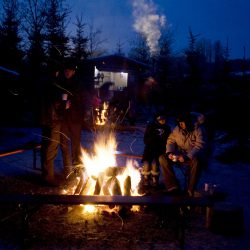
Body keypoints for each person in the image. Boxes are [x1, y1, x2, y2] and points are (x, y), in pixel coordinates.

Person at [159, 112, 208, 196]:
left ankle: (190, 190)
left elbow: (200, 145)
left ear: (187, 121)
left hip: (192, 157)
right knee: (162, 158)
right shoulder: (177, 129)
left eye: (182, 122)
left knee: (196, 161)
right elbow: (171, 140)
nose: (180, 125)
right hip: (179, 155)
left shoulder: (198, 129)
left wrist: (188, 157)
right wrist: (170, 152)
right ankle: (173, 187)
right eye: (179, 123)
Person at [40, 61, 72, 186]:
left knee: (47, 146)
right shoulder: (53, 83)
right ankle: (48, 178)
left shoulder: (44, 81)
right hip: (53, 119)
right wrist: (66, 104)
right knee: (51, 147)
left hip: (46, 119)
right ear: (56, 72)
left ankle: (46, 174)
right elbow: (56, 102)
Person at [141, 114, 171, 187]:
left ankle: (155, 180)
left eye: (164, 119)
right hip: (149, 149)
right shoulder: (151, 127)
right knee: (146, 163)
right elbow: (145, 139)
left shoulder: (167, 128)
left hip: (160, 150)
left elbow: (169, 140)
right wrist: (152, 140)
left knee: (155, 163)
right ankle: (146, 179)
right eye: (160, 119)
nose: (163, 121)